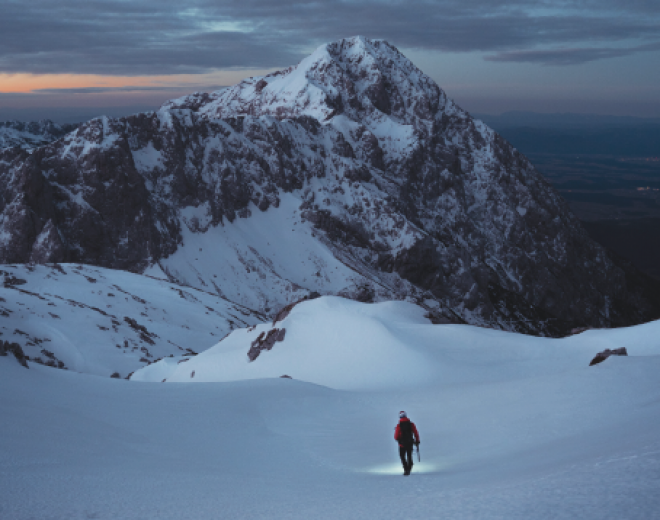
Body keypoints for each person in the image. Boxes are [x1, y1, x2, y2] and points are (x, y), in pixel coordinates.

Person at [394, 411, 420, 476]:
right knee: (409, 455)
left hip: (402, 444)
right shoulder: (411, 424)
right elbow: (416, 433)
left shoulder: (399, 425)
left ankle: (406, 469)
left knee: (402, 456)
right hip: (410, 443)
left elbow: (396, 436)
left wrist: (399, 439)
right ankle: (409, 467)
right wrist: (417, 441)